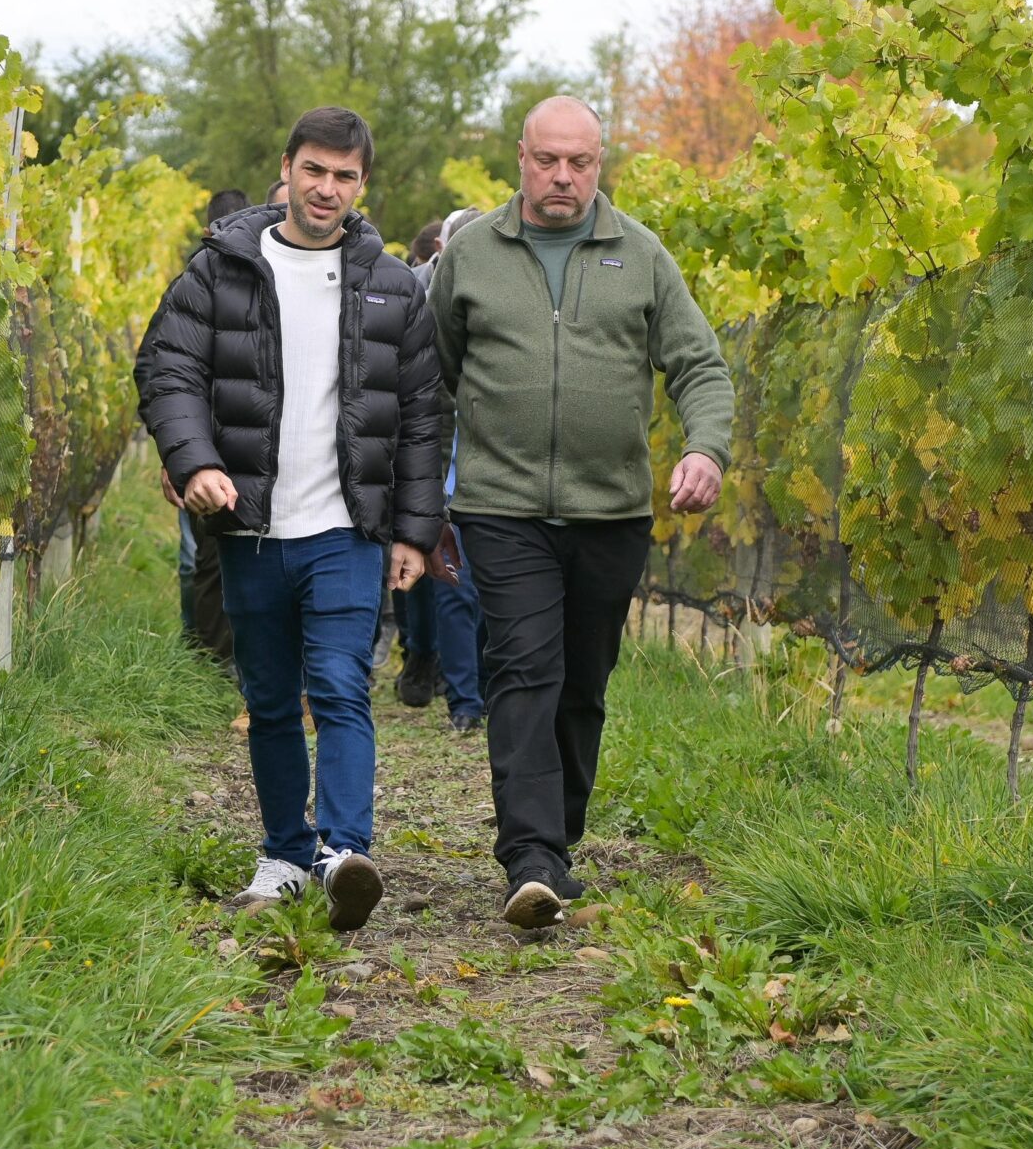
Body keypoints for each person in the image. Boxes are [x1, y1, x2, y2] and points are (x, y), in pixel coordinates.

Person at [135, 106, 447, 929]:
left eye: (345, 176)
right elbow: (166, 367)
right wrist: (192, 458)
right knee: (270, 697)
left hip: (348, 527)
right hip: (252, 526)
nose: (327, 188)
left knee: (342, 685)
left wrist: (414, 530)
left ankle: (344, 853)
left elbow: (422, 412)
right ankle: (283, 853)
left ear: (362, 185)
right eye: (315, 170)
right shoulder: (223, 268)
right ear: (288, 168)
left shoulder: (392, 285)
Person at [429, 97, 733, 928]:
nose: (563, 177)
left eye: (581, 162)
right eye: (548, 160)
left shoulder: (641, 256)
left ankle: (557, 835)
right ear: (519, 158)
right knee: (524, 668)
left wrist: (705, 447)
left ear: (601, 164)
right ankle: (529, 855)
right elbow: (437, 373)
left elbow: (699, 365)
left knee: (583, 679)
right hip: (501, 503)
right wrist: (435, 494)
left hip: (612, 511)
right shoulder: (473, 253)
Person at [396, 210, 486, 731]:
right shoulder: (419, 300)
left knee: (489, 596)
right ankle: (464, 703)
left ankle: (485, 690)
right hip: (442, 472)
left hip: (495, 474)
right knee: (454, 587)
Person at [172, 187, 251, 663]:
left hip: (245, 451)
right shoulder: (193, 282)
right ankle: (210, 660)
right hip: (206, 448)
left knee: (218, 563)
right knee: (202, 559)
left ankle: (233, 662)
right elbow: (163, 369)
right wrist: (179, 453)